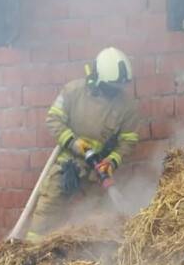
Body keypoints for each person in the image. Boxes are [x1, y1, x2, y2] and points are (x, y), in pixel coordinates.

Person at [26, 47, 141, 240]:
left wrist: (111, 161)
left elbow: (128, 141)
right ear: (98, 79)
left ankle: (88, 255)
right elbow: (53, 119)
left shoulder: (127, 106)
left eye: (118, 88)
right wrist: (74, 142)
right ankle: (31, 252)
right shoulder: (73, 91)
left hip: (97, 170)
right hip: (67, 163)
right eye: (110, 87)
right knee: (47, 211)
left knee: (96, 220)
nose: (115, 92)